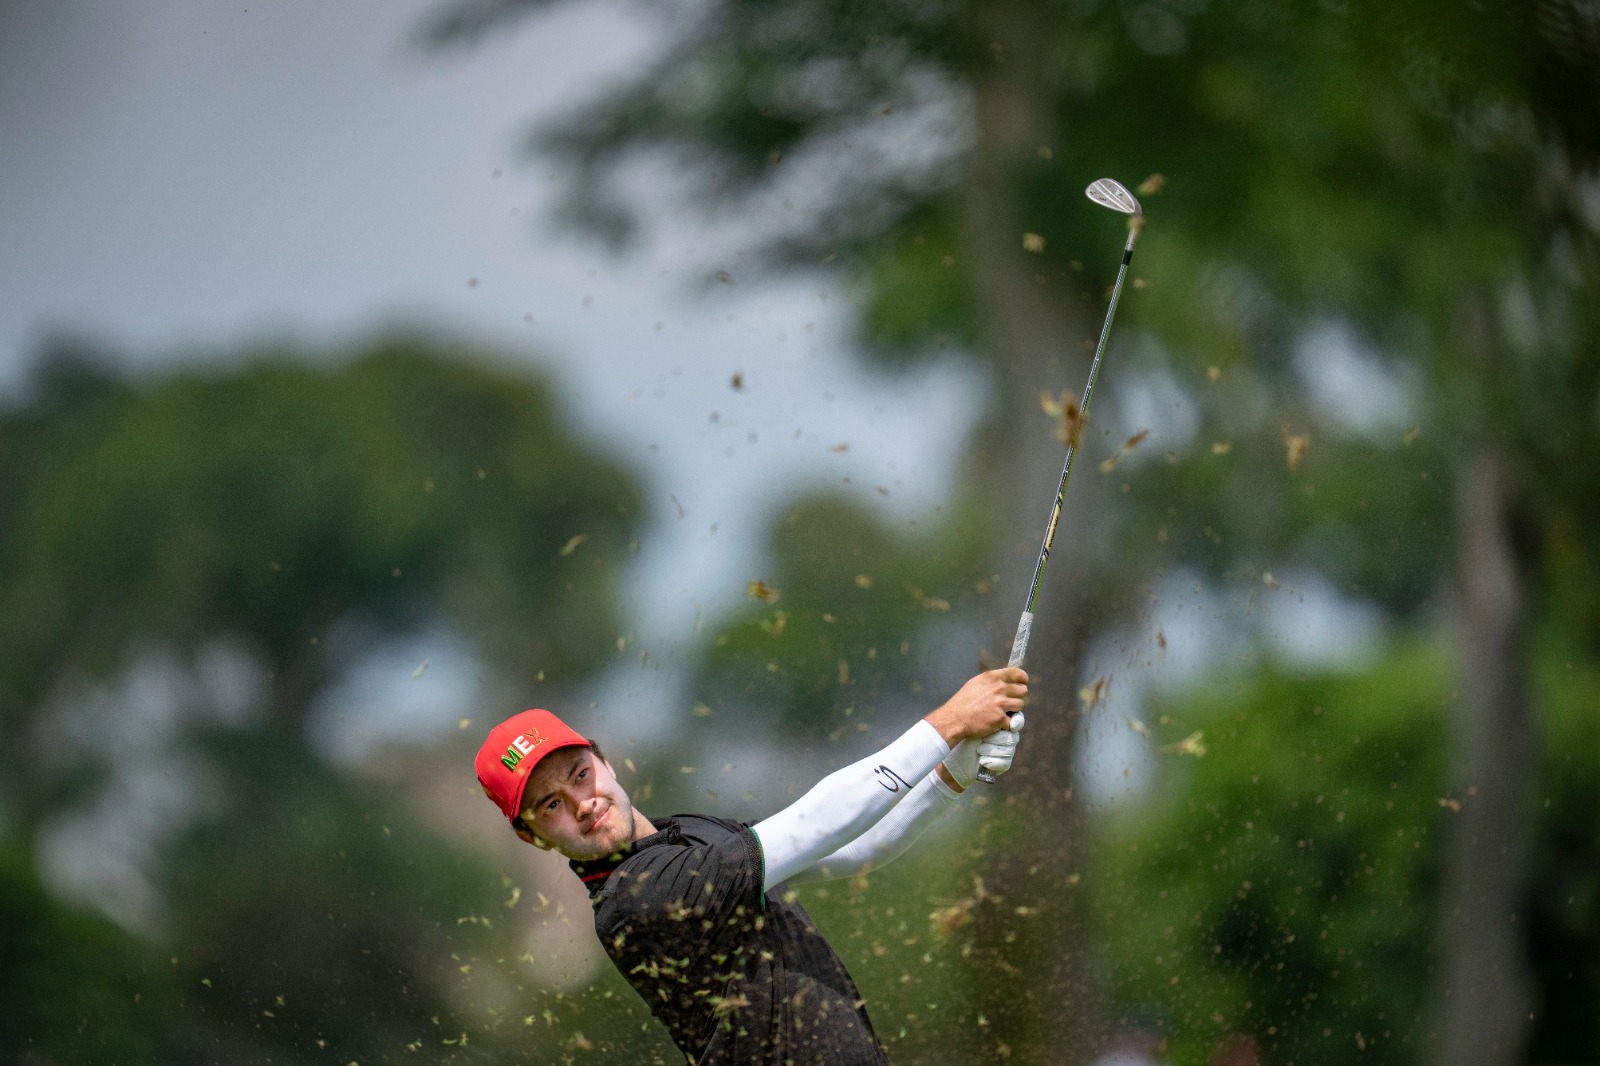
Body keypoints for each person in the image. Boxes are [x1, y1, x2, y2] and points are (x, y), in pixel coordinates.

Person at [474, 667, 1028, 1065]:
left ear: (604, 761)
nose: (582, 803)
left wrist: (951, 773)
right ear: (532, 837)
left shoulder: (687, 836)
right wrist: (947, 724)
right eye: (551, 805)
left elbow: (850, 847)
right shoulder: (637, 898)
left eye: (580, 774)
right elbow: (813, 825)